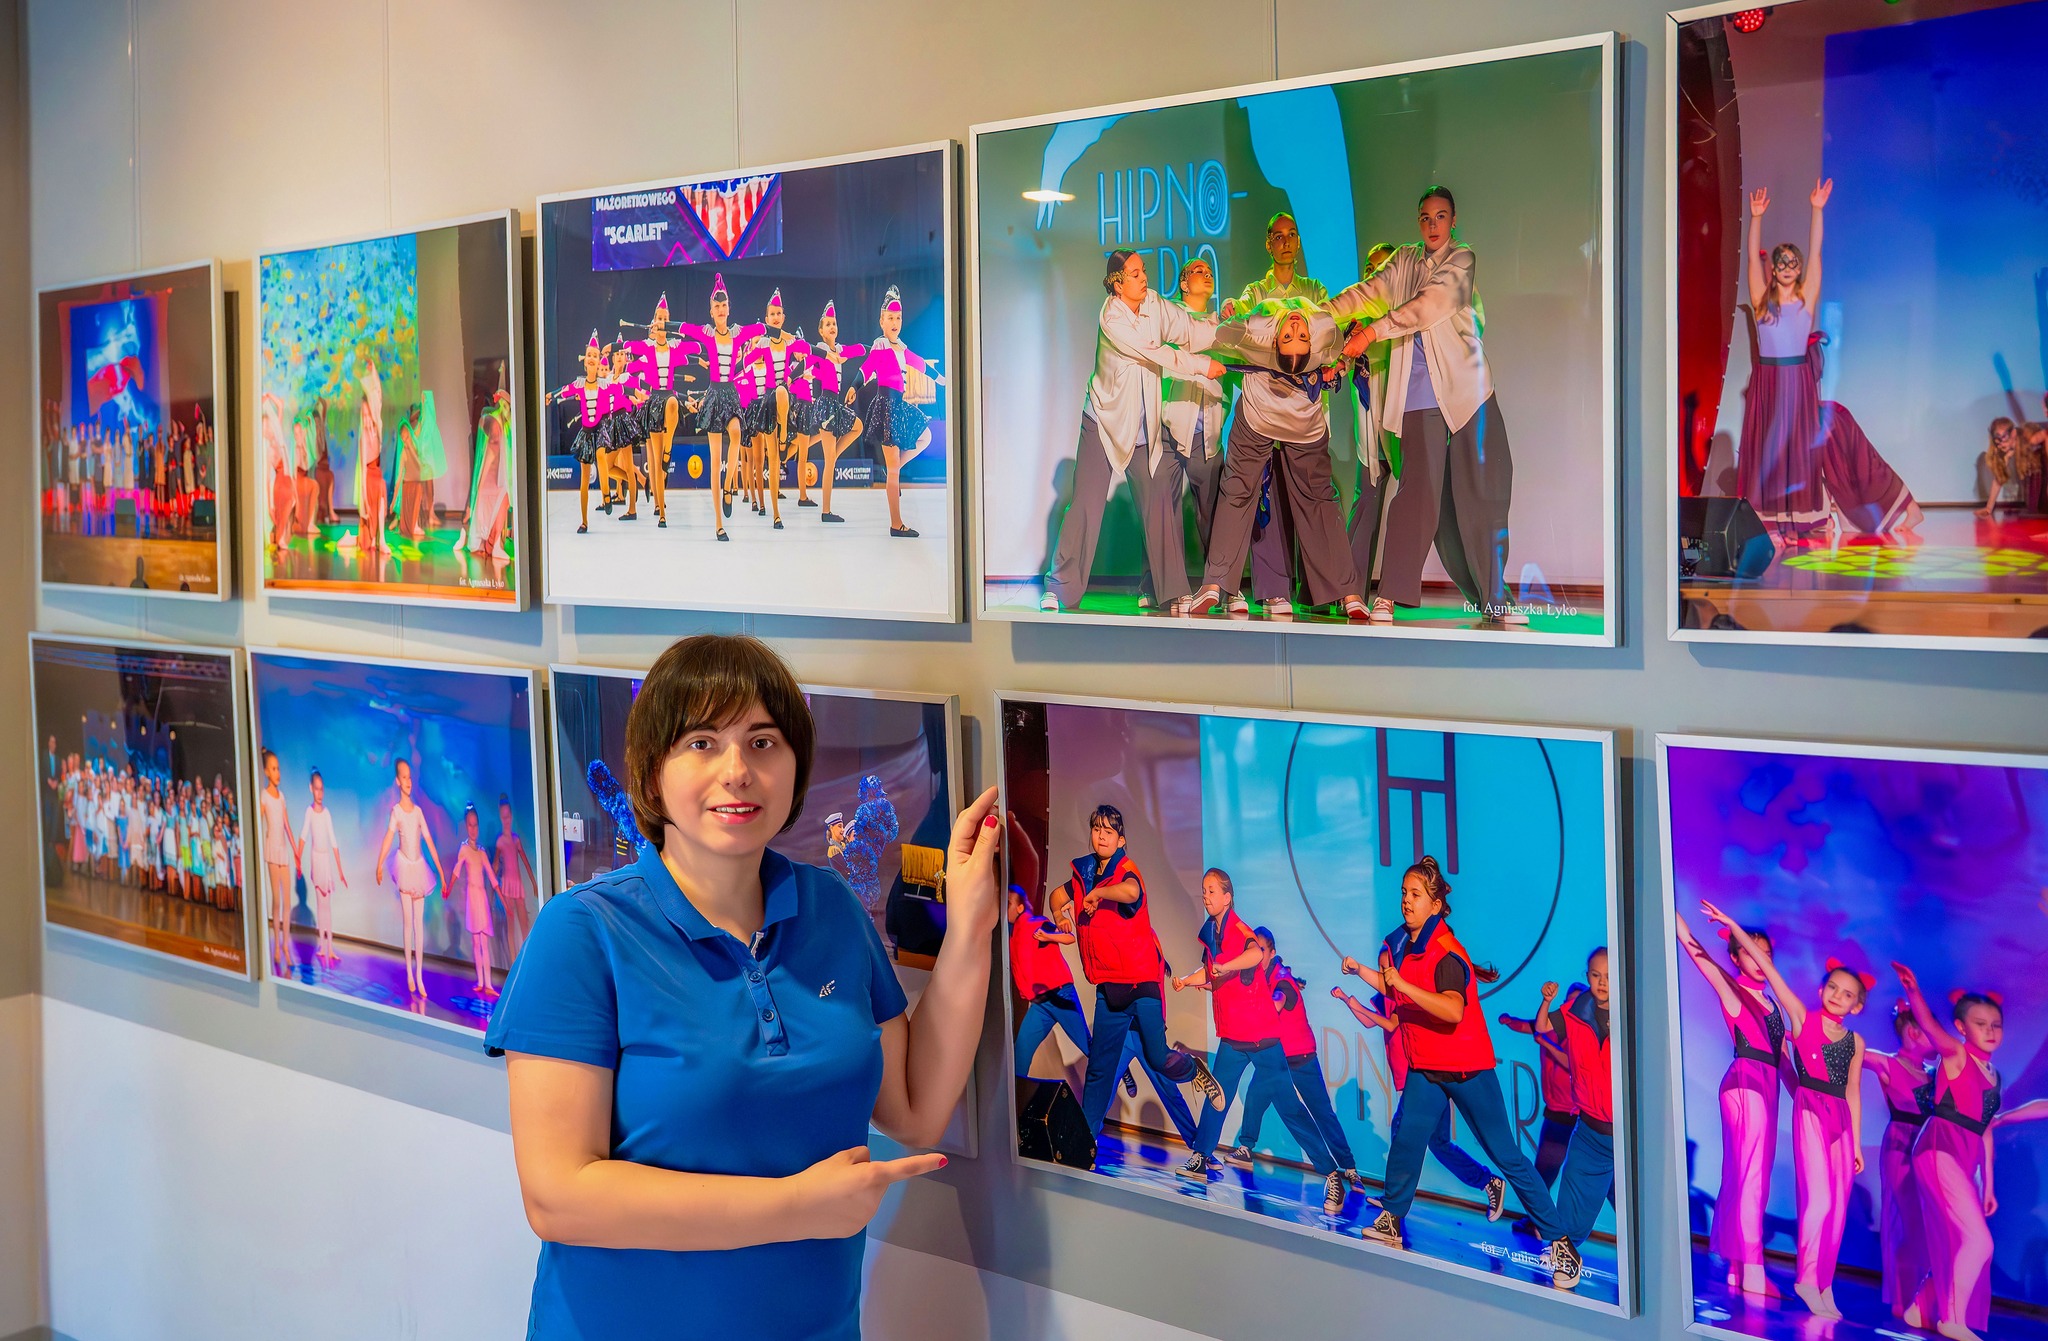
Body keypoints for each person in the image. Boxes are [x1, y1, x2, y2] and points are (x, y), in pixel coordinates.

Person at [486, 634, 998, 1340]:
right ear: (652, 772)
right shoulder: (583, 932)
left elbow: (912, 1110)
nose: (737, 771)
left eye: (762, 743)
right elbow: (558, 1196)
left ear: (795, 766)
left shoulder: (831, 909)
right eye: (702, 743)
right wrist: (797, 1207)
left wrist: (971, 928)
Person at [1343, 856, 1579, 1290]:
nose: (1406, 900)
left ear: (1435, 905)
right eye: (1404, 893)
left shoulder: (1446, 952)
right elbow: (1395, 987)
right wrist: (1363, 972)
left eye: (1416, 894)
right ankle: (1391, 1217)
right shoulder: (1404, 944)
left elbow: (1452, 1010)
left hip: (1468, 1069)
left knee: (1506, 1155)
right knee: (1408, 1139)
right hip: (1427, 1067)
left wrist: (1402, 985)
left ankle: (1560, 1241)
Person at [1327, 188, 1522, 625]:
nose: (1433, 225)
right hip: (1416, 394)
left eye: (1441, 216)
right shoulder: (1403, 261)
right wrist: (1319, 314)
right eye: (1426, 217)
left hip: (1469, 391)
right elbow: (1365, 293)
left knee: (1485, 493)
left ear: (1453, 220)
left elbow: (1429, 306)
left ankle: (1495, 598)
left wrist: (1370, 333)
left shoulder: (1462, 259)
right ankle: (1390, 594)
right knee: (1418, 495)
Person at [1708, 908, 1868, 1321]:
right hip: (1811, 1110)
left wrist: (1855, 1140)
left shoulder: (1856, 1042)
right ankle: (1806, 1279)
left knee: (1836, 1208)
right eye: (1833, 988)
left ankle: (1824, 1284)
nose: (1837, 996)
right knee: (1818, 1202)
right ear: (1822, 989)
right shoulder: (1799, 1016)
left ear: (1856, 1005)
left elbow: (1853, 1091)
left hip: (1840, 1120)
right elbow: (1768, 970)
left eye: (1847, 994)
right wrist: (1734, 928)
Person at [1738, 180, 1921, 538]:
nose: (1787, 266)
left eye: (1793, 262)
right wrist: (1756, 218)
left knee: (1801, 453)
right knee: (1770, 454)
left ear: (1799, 269)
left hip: (1796, 383)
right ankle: (1774, 520)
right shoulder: (1761, 302)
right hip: (1768, 385)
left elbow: (1817, 251)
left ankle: (1811, 517)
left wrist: (1817, 210)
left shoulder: (1805, 299)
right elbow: (1749, 259)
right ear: (1773, 269)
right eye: (1781, 262)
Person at [1043, 251, 1223, 611]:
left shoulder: (1154, 304)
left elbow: (1189, 328)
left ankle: (1171, 591)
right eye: (1135, 274)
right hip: (1104, 422)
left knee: (1159, 501)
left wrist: (1225, 326)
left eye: (1143, 272)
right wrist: (1201, 365)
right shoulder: (1112, 317)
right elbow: (1156, 353)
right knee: (1086, 504)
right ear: (1117, 283)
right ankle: (1061, 588)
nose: (1144, 279)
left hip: (1144, 429)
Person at [1188, 299, 1369, 620]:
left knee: (1318, 500)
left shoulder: (1293, 329)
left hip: (1300, 422)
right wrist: (1236, 309)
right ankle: (1214, 583)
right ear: (1274, 342)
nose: (1296, 326)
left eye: (1297, 336)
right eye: (1290, 336)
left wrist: (1340, 362)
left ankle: (1346, 591)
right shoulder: (1288, 328)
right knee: (1239, 491)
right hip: (1261, 414)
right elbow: (1225, 331)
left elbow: (1341, 346)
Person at [1169, 871, 1338, 1206]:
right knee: (1217, 1097)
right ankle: (1200, 1156)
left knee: (1290, 1107)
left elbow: (1254, 956)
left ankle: (1331, 1173)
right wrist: (1187, 981)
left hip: (1261, 1035)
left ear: (1228, 897)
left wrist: (1226, 966)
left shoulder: (1239, 929)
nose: (1206, 896)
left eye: (1212, 891)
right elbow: (1212, 971)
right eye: (1204, 890)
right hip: (1233, 1035)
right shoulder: (1211, 933)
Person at [1059, 805, 1222, 1141]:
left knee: (1158, 1059)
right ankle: (1084, 1144)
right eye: (1097, 829)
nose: (1101, 836)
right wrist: (1060, 916)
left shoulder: (1126, 870)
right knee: (1099, 1071)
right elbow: (1056, 896)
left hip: (1140, 987)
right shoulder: (1084, 873)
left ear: (1121, 840)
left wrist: (1099, 893)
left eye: (1109, 831)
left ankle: (1193, 1070)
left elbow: (1131, 891)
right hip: (1109, 990)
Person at [1673, 908, 1785, 1299]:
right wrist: (1664, 902)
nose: (1759, 959)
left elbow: (1783, 1059)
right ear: (1736, 958)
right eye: (1750, 952)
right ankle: (1752, 1269)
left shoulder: (1772, 1003)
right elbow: (1694, 949)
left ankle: (1738, 1267)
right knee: (1751, 1179)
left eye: (1765, 953)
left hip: (1764, 1084)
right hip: (1747, 1083)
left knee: (1743, 1177)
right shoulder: (1733, 990)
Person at [1893, 962, 2006, 1341]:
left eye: (1996, 1025)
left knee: (1961, 1239)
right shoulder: (1956, 1054)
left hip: (1964, 1156)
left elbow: (1984, 1130)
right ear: (1961, 1027)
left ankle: (1920, 1308)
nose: (1990, 1031)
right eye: (1981, 1023)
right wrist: (1914, 992)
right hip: (1939, 1148)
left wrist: (1988, 1185)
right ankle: (1951, 1319)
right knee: (1979, 1241)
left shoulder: (1994, 1075)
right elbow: (1929, 1026)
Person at [1333, 978, 1505, 1217]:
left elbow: (1391, 1024)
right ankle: (1487, 1181)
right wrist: (1346, 1000)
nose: (1381, 972)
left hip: (1423, 1079)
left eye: (1385, 966)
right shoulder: (1386, 996)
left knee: (1404, 1133)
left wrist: (1354, 1002)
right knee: (1438, 1143)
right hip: (1413, 1081)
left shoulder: (1405, 994)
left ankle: (1394, 1201)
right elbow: (1370, 1022)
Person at [1256, 931, 1363, 1206]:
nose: (1256, 955)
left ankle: (1349, 1168)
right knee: (1260, 1101)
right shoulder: (1263, 976)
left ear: (1271, 952)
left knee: (1321, 1113)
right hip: (1279, 1061)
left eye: (1261, 950)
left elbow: (1278, 999)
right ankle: (1245, 1146)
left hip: (1301, 1058)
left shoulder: (1281, 979)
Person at [1538, 951, 1617, 1262]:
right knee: (1572, 1186)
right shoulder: (1576, 1010)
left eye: (1608, 976)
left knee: (1634, 1201)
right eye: (1596, 975)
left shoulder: (1631, 1013)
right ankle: (1563, 1249)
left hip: (1624, 1133)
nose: (1602, 982)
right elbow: (1543, 1027)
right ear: (1588, 976)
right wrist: (1546, 1001)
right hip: (1589, 1126)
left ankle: (1654, 1258)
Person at [1864, 1002, 1937, 1324]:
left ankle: (1922, 1298)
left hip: (1930, 1147)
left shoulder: (1935, 1074)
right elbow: (1847, 1049)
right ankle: (1902, 1296)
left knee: (1926, 1223)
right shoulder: (1888, 1064)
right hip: (1900, 1144)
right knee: (1906, 1221)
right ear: (1913, 1031)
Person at [373, 757, 444, 1001]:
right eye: (404, 777)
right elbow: (388, 837)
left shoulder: (418, 812)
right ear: (397, 781)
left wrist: (441, 872)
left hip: (419, 869)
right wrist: (380, 862)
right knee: (407, 924)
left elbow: (430, 842)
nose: (408, 781)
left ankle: (420, 975)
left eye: (410, 777)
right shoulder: (397, 812)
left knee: (419, 926)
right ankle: (409, 974)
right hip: (404, 866)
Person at [801, 302, 865, 523]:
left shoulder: (840, 349)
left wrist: (878, 346)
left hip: (835, 405)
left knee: (858, 427)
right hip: (825, 405)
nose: (832, 327)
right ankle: (826, 511)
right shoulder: (820, 350)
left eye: (834, 324)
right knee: (830, 462)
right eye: (827, 324)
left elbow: (861, 348)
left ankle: (834, 454)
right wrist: (801, 374)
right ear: (821, 330)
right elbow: (806, 357)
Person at [549, 333, 612, 536]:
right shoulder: (579, 384)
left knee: (601, 455)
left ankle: (606, 494)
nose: (592, 358)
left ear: (599, 360)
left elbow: (622, 390)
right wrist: (550, 395)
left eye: (595, 355)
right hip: (586, 432)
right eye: (589, 355)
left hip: (600, 429)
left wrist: (636, 393)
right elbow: (564, 390)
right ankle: (584, 521)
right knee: (584, 479)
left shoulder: (604, 384)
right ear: (585, 361)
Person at [448, 805, 504, 997]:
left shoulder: (481, 852)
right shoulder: (464, 849)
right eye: (470, 825)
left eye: (475, 825)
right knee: (475, 942)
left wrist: (503, 900)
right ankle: (480, 981)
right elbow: (457, 870)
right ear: (466, 826)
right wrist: (448, 888)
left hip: (481, 898)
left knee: (483, 943)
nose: (473, 829)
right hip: (472, 898)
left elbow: (492, 877)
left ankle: (488, 983)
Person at [295, 769, 345, 968]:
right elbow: (303, 836)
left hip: (325, 861)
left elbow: (333, 841)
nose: (320, 793)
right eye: (316, 789)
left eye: (322, 789)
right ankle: (323, 946)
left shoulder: (326, 813)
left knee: (327, 907)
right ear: (311, 789)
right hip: (316, 859)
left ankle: (329, 947)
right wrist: (298, 859)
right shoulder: (309, 812)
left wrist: (340, 870)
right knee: (320, 906)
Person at [258, 748, 297, 974]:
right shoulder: (264, 796)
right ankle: (276, 948)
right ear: (266, 772)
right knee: (276, 900)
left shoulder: (281, 797)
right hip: (272, 850)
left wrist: (296, 850)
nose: (277, 772)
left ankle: (286, 946)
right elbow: (260, 820)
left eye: (278, 768)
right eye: (273, 769)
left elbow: (286, 825)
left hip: (283, 850)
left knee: (287, 902)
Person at [463, 390, 514, 560]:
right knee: (495, 505)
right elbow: (489, 456)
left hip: (498, 480)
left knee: (503, 502)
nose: (508, 411)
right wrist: (479, 486)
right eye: (506, 407)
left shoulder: (502, 425)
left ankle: (495, 543)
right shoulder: (494, 424)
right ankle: (492, 543)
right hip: (491, 479)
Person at [494, 796, 539, 963]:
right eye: (503, 817)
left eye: (508, 817)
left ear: (511, 816)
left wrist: (534, 883)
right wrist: (492, 887)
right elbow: (494, 866)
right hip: (507, 886)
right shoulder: (500, 841)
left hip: (517, 885)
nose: (506, 820)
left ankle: (526, 959)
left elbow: (525, 862)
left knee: (524, 923)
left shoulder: (515, 839)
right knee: (510, 926)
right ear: (501, 817)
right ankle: (514, 962)